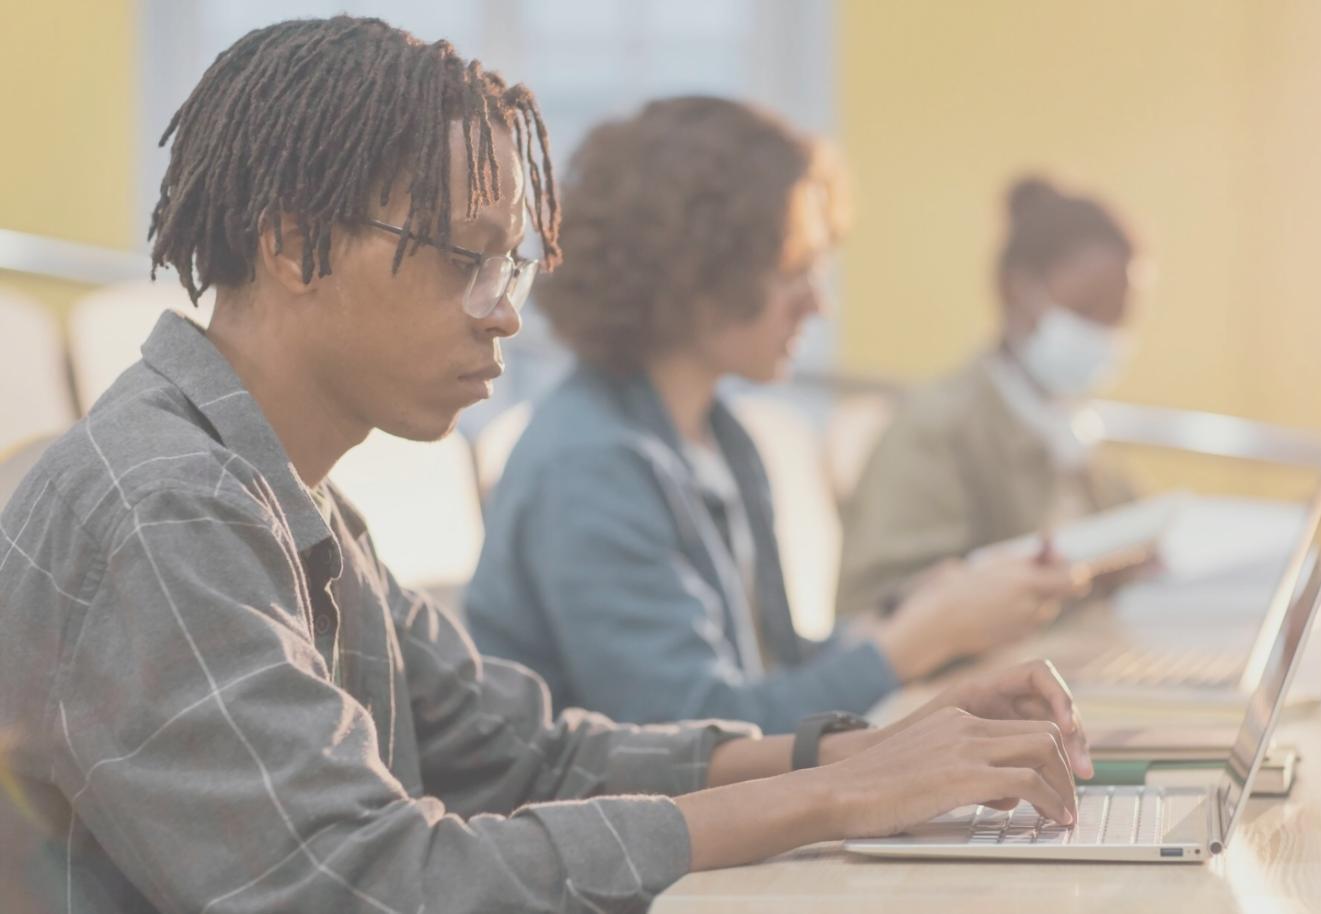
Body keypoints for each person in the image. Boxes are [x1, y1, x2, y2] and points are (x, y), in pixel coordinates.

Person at [0, 19, 1093, 913]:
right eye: (464, 260)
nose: (506, 312)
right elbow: (368, 885)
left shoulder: (287, 495)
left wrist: (864, 754)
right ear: (292, 245)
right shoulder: (166, 507)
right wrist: (835, 797)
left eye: (510, 264)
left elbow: (527, 756)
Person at [465, 98, 1077, 734]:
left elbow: (764, 677)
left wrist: (905, 620)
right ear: (695, 274)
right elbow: (698, 737)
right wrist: (913, 643)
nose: (818, 304)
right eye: (794, 270)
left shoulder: (721, 438)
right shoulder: (591, 467)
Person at [837, 176, 1140, 618]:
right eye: (1085, 309)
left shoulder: (1074, 429)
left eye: (1119, 316)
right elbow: (880, 609)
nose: (1102, 334)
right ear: (1016, 289)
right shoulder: (936, 430)